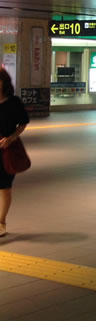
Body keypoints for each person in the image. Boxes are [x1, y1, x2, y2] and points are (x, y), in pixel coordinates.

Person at [0, 68, 30, 238]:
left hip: (6, 151)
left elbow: (23, 123)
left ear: (4, 82)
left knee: (4, 187)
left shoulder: (14, 103)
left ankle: (1, 222)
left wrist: (11, 138)